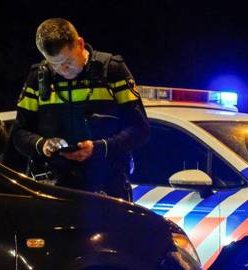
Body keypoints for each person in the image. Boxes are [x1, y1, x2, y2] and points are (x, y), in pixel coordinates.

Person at [12, 18, 149, 200]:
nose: (63, 69)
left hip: (107, 188)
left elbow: (140, 129)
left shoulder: (112, 70)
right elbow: (19, 133)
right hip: (53, 191)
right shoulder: (37, 78)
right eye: (54, 64)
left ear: (80, 43)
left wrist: (99, 148)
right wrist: (42, 144)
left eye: (67, 60)